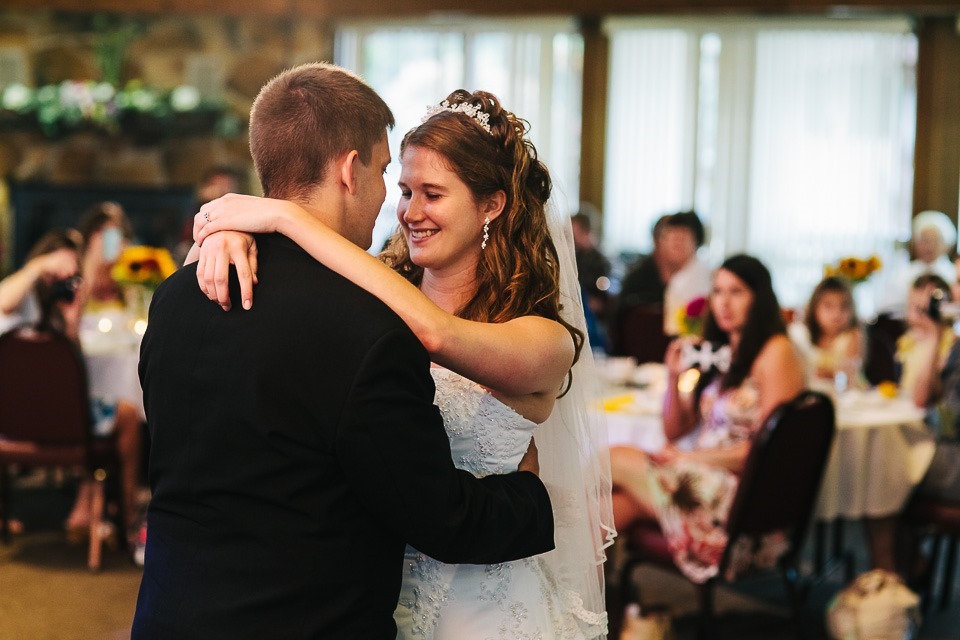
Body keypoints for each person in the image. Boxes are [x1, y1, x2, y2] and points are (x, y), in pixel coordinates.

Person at [132, 65, 559, 640]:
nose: (400, 207)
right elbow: (439, 515)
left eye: (430, 193)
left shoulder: (178, 296)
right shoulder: (371, 329)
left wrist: (242, 224)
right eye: (392, 178)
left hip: (170, 616)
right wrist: (529, 499)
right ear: (349, 170)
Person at [608, 254, 805, 583]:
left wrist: (690, 457)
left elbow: (768, 450)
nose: (724, 303)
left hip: (739, 502)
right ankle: (597, 613)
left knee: (612, 459)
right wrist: (674, 377)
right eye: (717, 291)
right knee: (610, 507)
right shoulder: (723, 351)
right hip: (703, 478)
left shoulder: (775, 351)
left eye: (736, 292)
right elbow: (674, 430)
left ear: (759, 297)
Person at [0, 228, 142, 540]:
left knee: (98, 405)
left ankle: (90, 503)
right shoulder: (23, 294)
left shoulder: (60, 308)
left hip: (26, 417)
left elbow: (68, 360)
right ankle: (127, 513)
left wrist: (73, 314)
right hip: (36, 417)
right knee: (128, 415)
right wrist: (40, 267)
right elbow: (2, 301)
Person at [790, 276, 863, 389]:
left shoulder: (851, 336)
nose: (836, 314)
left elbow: (847, 375)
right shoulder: (803, 335)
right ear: (814, 308)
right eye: (828, 306)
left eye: (844, 307)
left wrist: (827, 374)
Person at [661, 211, 711, 337]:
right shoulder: (682, 275)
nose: (674, 244)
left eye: (681, 238)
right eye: (671, 237)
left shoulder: (697, 276)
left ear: (696, 240)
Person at [571, 209, 612, 350]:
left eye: (574, 234)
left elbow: (604, 302)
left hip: (594, 323)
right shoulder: (572, 259)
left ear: (587, 232)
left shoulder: (602, 263)